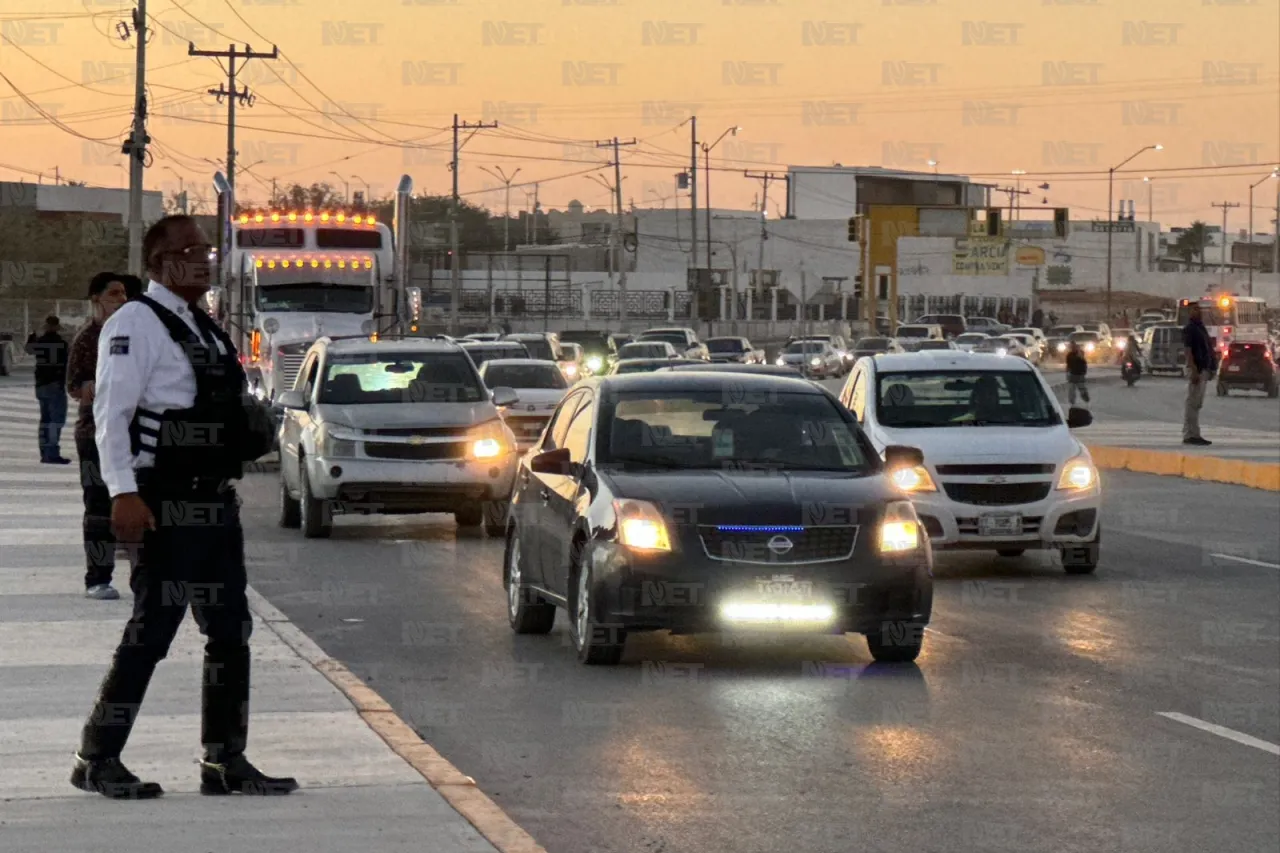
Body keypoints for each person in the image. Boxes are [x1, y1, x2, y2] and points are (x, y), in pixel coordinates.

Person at [73, 216, 295, 800]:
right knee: (152, 632)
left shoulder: (205, 326)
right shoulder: (135, 324)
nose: (203, 258)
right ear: (158, 263)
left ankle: (225, 760)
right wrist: (123, 493)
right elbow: (110, 417)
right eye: (188, 250)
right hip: (163, 504)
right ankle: (97, 756)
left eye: (206, 249)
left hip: (215, 503)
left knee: (230, 632)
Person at [67, 273, 141, 600]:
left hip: (133, 433)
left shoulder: (135, 333)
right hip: (94, 434)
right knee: (98, 507)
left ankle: (146, 577)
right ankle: (97, 578)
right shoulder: (88, 338)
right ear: (96, 299)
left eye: (124, 293)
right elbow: (74, 386)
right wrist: (103, 390)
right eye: (113, 294)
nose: (121, 299)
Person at [25, 315, 71, 464]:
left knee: (45, 419)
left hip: (41, 384)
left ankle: (44, 451)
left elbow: (28, 349)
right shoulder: (61, 343)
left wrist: (32, 336)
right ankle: (52, 452)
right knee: (56, 420)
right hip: (55, 384)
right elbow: (67, 364)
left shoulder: (40, 342)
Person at [1182, 301, 1215, 446]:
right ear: (1189, 312)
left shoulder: (1201, 328)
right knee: (1193, 403)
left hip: (1204, 369)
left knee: (1197, 403)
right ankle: (1190, 434)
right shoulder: (1190, 329)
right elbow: (1188, 351)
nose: (1198, 311)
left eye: (1199, 309)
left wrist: (1212, 367)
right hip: (1197, 369)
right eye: (1195, 309)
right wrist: (1193, 369)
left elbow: (1208, 348)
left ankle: (1194, 433)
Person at [1065, 341, 1089, 406]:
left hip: (1080, 374)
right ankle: (1072, 403)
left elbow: (1082, 359)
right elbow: (1068, 365)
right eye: (1071, 347)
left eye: (1073, 346)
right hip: (1072, 374)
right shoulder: (1069, 355)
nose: (1072, 348)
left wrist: (1078, 351)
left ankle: (1086, 399)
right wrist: (1067, 373)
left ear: (1076, 346)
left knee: (1082, 389)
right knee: (1071, 390)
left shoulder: (1080, 353)